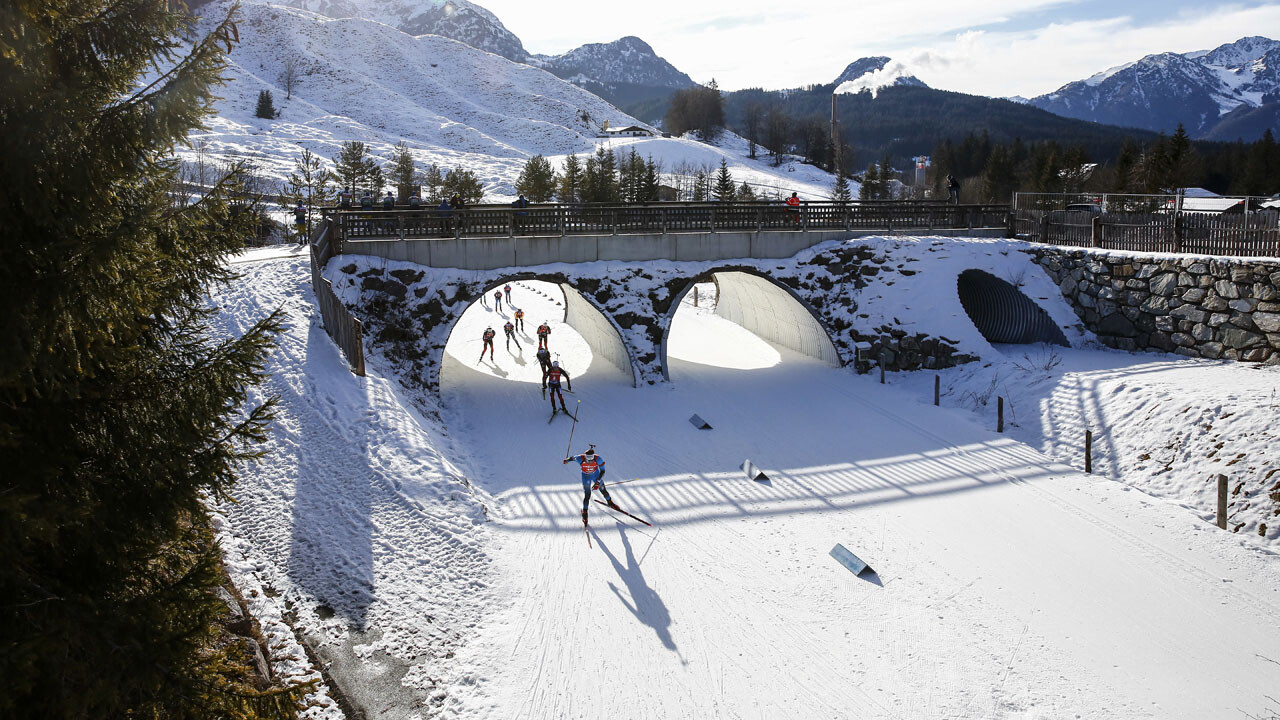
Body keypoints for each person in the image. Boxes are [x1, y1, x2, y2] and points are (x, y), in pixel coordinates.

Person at [564, 445, 618, 526]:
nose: (589, 462)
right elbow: (572, 458)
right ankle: (585, 513)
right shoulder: (580, 458)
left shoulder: (598, 459)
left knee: (603, 490)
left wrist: (598, 482)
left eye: (591, 461)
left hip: (595, 475)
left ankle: (610, 502)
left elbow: (602, 471)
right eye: (588, 461)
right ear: (585, 457)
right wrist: (567, 460)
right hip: (586, 477)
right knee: (587, 494)